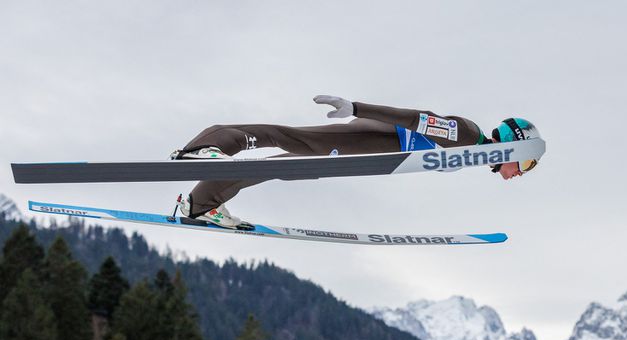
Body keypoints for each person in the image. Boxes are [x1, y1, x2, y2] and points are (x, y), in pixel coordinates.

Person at [170, 95, 542, 229]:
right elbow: (414, 117)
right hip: (373, 138)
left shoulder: (472, 151)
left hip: (374, 147)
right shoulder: (466, 134)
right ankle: (207, 146)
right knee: (288, 138)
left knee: (281, 167)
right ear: (514, 147)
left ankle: (201, 206)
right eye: (523, 166)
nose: (517, 175)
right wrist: (358, 108)